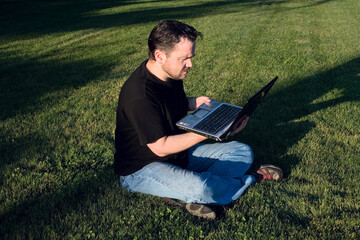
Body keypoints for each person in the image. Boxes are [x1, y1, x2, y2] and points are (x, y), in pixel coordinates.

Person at [114, 20, 283, 220]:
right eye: (184, 58)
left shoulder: (170, 74)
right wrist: (205, 133)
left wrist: (193, 103)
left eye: (191, 57)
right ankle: (253, 178)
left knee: (242, 152)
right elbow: (160, 147)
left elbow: (166, 103)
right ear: (160, 56)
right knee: (204, 188)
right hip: (142, 167)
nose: (190, 64)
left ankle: (183, 193)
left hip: (179, 156)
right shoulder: (139, 96)